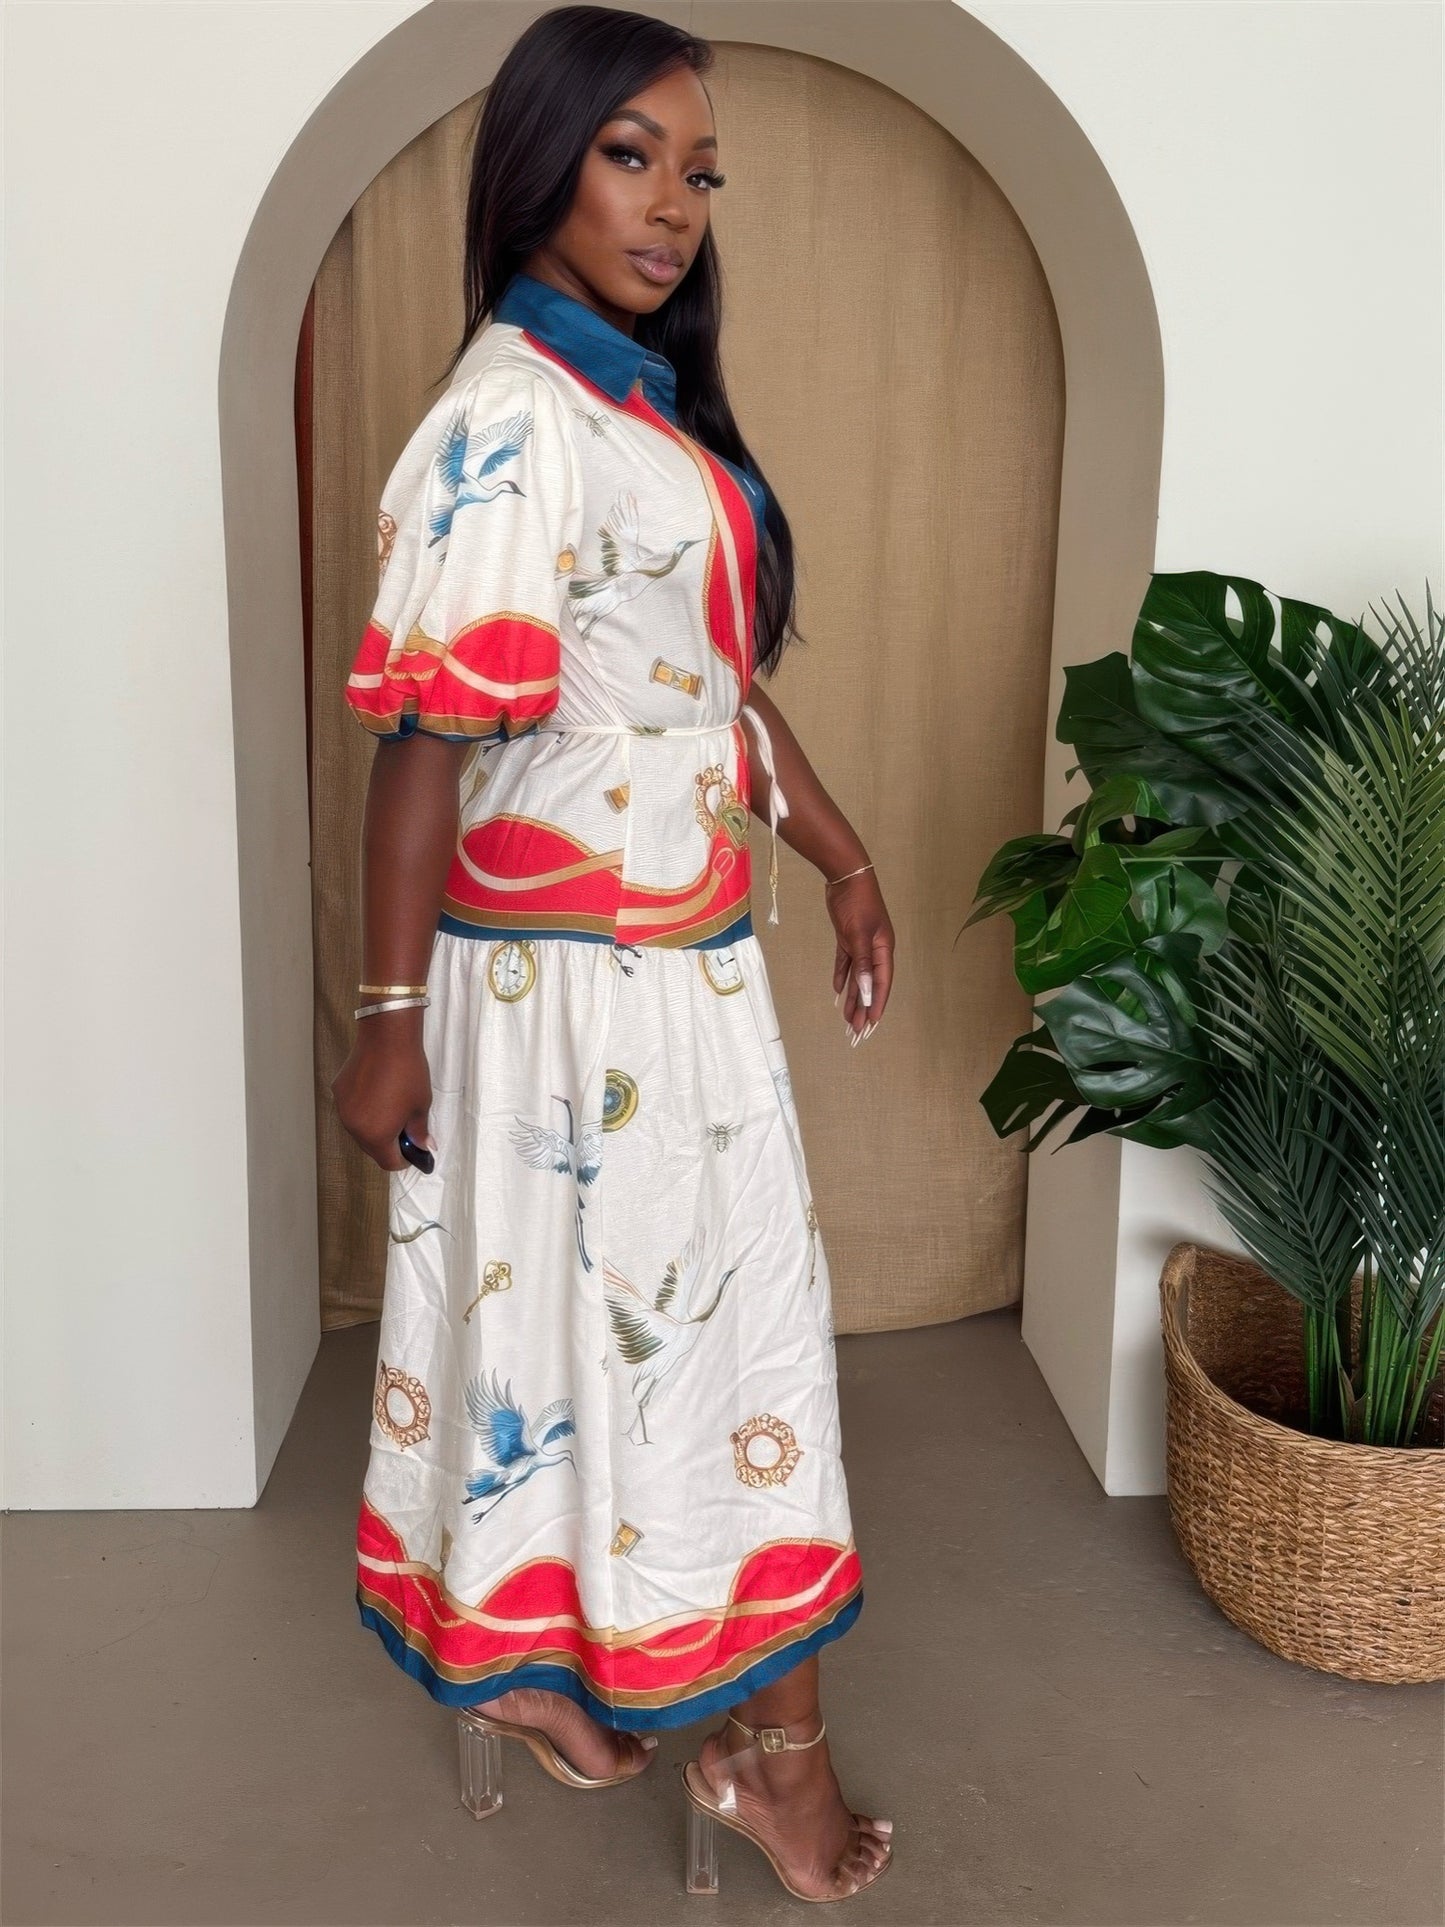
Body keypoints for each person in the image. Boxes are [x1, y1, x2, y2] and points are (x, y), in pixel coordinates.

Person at [331, 5, 896, 1901]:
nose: (673, 206)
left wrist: (839, 860)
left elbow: (706, 690)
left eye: (698, 172)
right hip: (561, 1001)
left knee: (683, 1347)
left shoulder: (633, 408)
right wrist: (386, 1018)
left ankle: (593, 1686)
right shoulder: (512, 415)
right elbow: (428, 738)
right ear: (540, 165)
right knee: (666, 1352)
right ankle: (761, 1759)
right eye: (632, 157)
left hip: (681, 977)